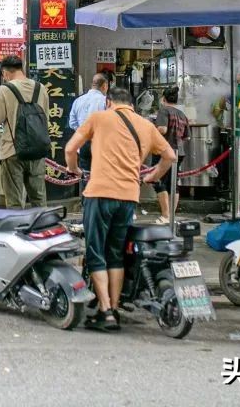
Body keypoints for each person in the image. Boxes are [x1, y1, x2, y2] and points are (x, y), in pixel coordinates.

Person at [65, 89, 176, 331]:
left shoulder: (99, 117)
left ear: (108, 102)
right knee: (116, 253)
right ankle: (114, 308)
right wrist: (154, 176)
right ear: (132, 105)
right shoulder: (145, 125)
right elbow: (169, 155)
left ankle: (105, 311)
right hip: (128, 197)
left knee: (96, 252)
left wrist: (74, 170)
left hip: (99, 194)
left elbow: (70, 149)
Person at [0, 56, 49, 209]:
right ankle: (41, 229)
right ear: (21, 68)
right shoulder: (40, 88)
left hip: (12, 151)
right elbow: (46, 117)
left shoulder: (4, 90)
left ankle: (17, 231)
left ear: (5, 73)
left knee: (14, 201)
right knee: (39, 199)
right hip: (37, 150)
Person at [153, 86, 190, 224]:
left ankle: (165, 215)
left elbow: (162, 129)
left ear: (163, 99)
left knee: (158, 181)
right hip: (179, 152)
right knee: (173, 183)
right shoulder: (182, 114)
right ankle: (170, 216)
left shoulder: (163, 110)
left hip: (164, 152)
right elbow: (187, 136)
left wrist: (151, 130)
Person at [68, 73, 110, 186]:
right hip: (101, 143)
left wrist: (82, 131)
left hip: (83, 144)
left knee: (85, 175)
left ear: (93, 84)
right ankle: (99, 202)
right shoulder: (105, 101)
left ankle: (86, 202)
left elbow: (72, 123)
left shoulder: (78, 100)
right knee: (101, 175)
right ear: (105, 86)